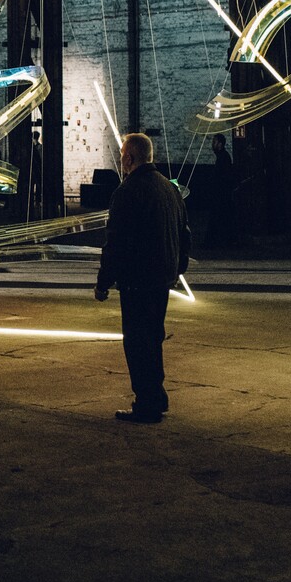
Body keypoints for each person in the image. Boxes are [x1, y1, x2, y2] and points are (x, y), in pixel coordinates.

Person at [93, 132, 185, 424]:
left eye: (122, 155)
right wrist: (177, 268)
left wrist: (104, 280)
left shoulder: (128, 191)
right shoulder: (168, 188)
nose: (120, 160)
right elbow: (184, 233)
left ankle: (147, 403)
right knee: (153, 338)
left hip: (138, 280)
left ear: (129, 158)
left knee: (138, 342)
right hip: (162, 278)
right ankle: (157, 396)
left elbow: (117, 241)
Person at [203, 133, 237, 247]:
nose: (213, 144)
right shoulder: (223, 157)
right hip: (221, 194)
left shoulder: (223, 158)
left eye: (214, 142)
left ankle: (214, 242)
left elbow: (223, 177)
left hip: (221, 195)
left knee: (218, 218)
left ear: (220, 144)